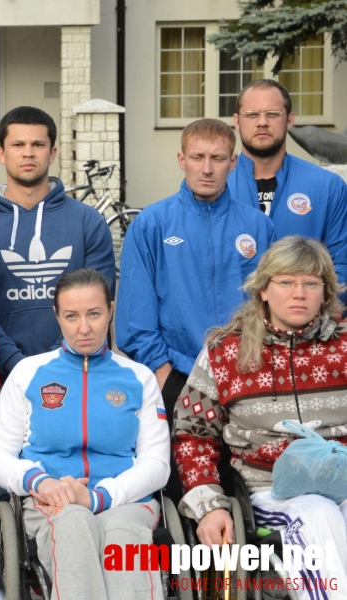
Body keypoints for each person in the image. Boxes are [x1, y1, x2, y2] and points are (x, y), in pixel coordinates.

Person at [0, 105, 116, 572]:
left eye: (37, 144)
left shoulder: (87, 222)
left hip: (74, 375)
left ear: (53, 151)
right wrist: (15, 362)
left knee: (70, 481)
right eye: (18, 145)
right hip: (1, 376)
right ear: (1, 152)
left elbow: (100, 299)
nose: (28, 153)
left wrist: (57, 361)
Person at [173, 236, 347, 600]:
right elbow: (193, 435)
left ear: (325, 293)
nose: (299, 293)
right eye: (286, 282)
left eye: (311, 283)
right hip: (270, 489)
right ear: (264, 290)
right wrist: (207, 506)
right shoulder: (226, 351)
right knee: (318, 514)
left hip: (342, 476)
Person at [0, 268, 170, 600]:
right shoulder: (29, 373)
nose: (84, 328)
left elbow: (157, 465)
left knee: (124, 535)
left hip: (125, 501)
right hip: (53, 501)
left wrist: (101, 497)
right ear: (56, 316)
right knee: (73, 526)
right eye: (71, 316)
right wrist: (40, 482)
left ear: (110, 309)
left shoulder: (138, 378)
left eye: (94, 314)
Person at [117, 118, 275, 439]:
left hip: (246, 375)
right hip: (177, 375)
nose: (207, 169)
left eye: (217, 158)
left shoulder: (259, 227)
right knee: (185, 483)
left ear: (233, 162)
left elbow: (274, 307)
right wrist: (164, 375)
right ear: (181, 160)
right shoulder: (152, 224)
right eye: (197, 157)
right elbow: (135, 316)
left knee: (246, 478)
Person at [228, 79, 347, 301]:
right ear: (237, 121)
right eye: (252, 114)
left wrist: (319, 322)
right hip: (233, 328)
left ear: (290, 120)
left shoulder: (327, 186)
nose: (262, 122)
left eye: (272, 114)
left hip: (307, 330)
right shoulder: (217, 186)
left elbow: (341, 266)